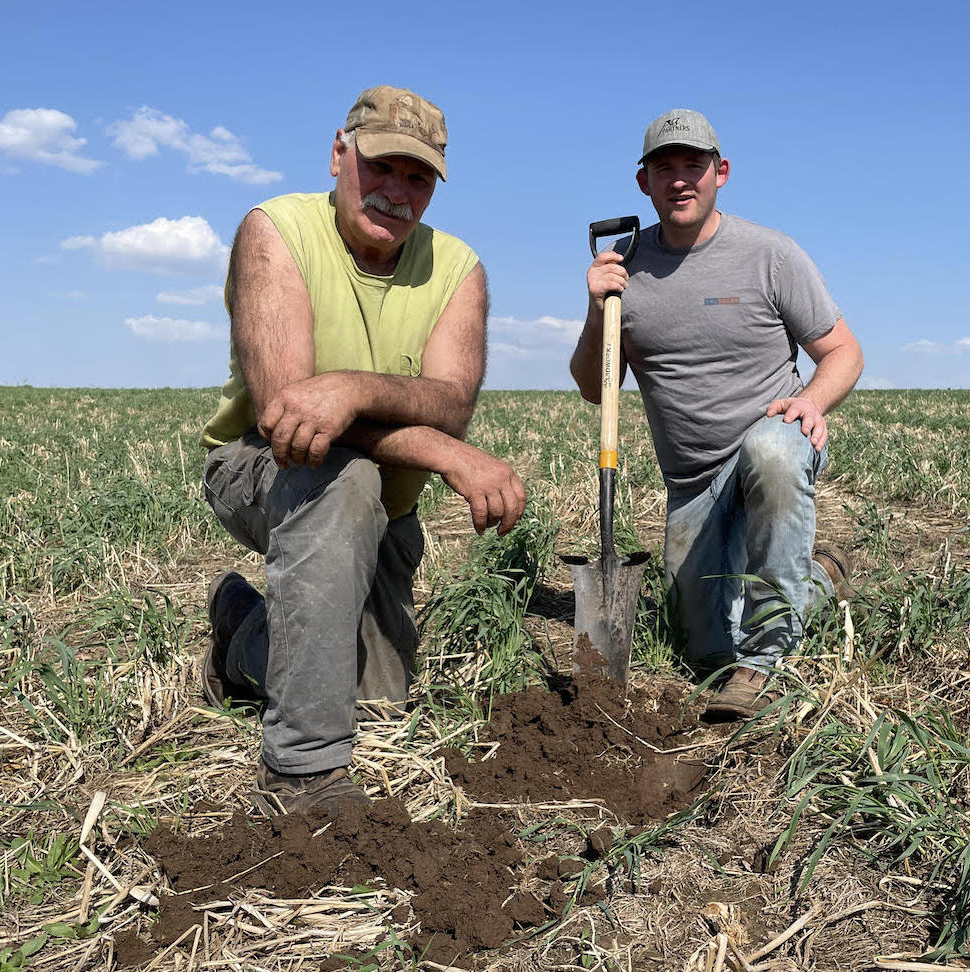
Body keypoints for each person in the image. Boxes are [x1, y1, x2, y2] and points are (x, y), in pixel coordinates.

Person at [199, 85, 527, 814]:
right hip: (264, 467)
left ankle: (241, 633)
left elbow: (451, 404)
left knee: (374, 699)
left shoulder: (457, 269)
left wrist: (349, 387)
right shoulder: (275, 230)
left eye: (417, 179)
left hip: (386, 510)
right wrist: (445, 454)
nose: (395, 193)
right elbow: (292, 415)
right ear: (339, 154)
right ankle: (303, 774)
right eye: (380, 167)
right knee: (343, 479)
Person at [571, 108, 863, 721]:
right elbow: (595, 390)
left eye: (693, 166)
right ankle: (820, 577)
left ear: (720, 173)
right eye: (664, 167)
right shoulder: (623, 271)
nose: (680, 180)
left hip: (768, 451)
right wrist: (598, 309)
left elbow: (844, 351)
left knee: (773, 451)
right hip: (693, 482)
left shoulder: (770, 255)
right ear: (642, 182)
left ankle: (767, 665)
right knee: (701, 646)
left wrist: (810, 401)